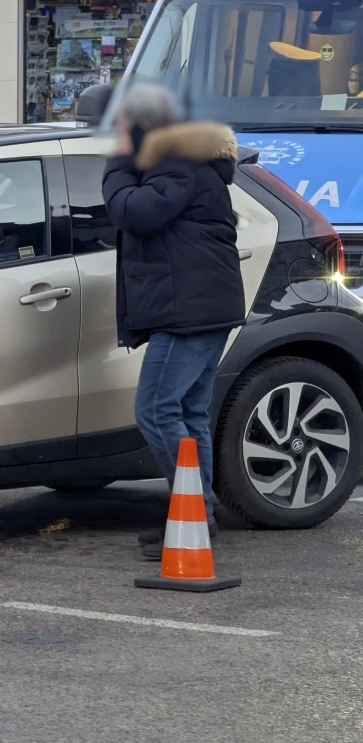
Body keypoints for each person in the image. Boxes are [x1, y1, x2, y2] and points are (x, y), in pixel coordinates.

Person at [102, 84, 245, 559]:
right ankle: (196, 511)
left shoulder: (175, 164)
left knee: (157, 410)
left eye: (124, 129)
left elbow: (134, 213)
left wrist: (118, 165)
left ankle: (195, 514)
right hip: (201, 307)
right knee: (188, 415)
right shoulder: (186, 162)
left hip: (188, 312)